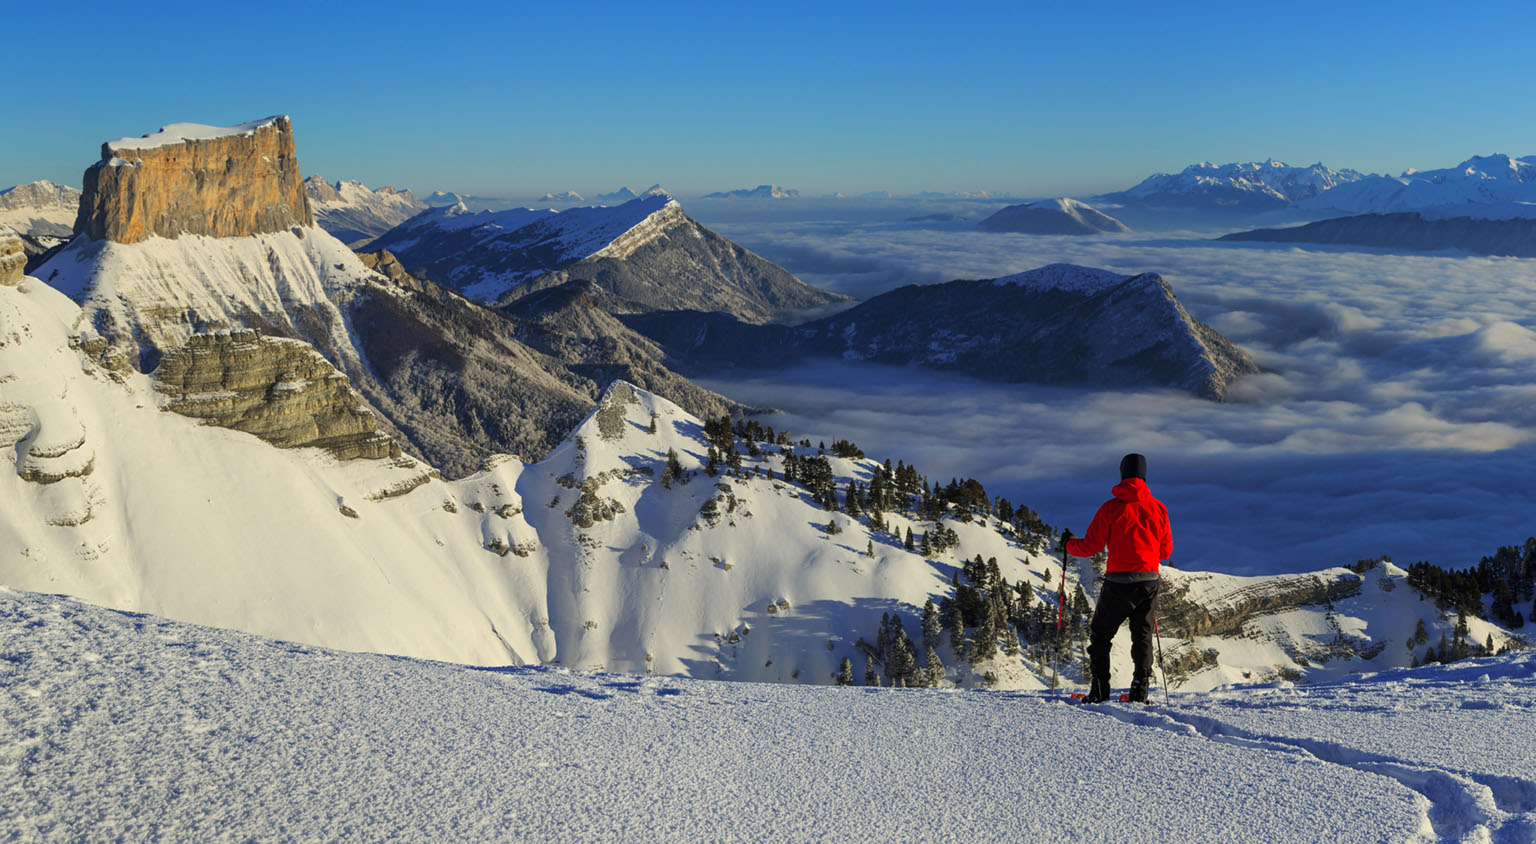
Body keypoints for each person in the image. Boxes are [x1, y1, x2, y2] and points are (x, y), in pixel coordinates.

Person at [1061, 453, 1171, 703]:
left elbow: (1090, 546)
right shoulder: (1158, 508)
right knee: (1142, 636)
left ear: (1122, 474)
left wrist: (1069, 545)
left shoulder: (1110, 509)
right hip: (1149, 581)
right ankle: (1139, 693)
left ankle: (1099, 691)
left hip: (1118, 582)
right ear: (1144, 475)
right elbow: (1165, 551)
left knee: (1101, 635)